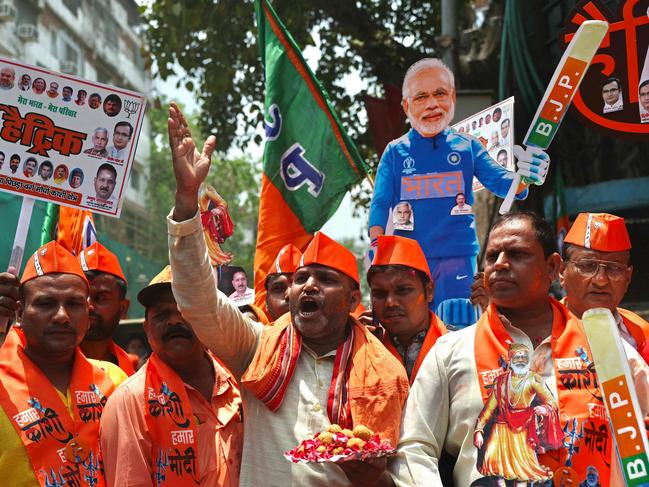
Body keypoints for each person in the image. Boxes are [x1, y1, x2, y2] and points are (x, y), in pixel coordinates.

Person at [167, 101, 409, 486]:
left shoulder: (387, 372)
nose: (308, 286)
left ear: (351, 300)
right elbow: (198, 301)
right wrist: (185, 200)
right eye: (301, 278)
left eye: (325, 279)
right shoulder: (257, 347)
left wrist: (373, 481)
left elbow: (409, 471)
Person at [388, 211, 649, 486]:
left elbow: (639, 442)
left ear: (552, 267)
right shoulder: (450, 352)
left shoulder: (607, 349)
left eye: (517, 254)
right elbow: (414, 448)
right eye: (492, 256)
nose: (500, 264)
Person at [368, 58, 549, 317]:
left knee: (458, 324)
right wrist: (377, 245)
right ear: (406, 106)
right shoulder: (395, 152)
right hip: (410, 260)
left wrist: (528, 174)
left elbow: (501, 181)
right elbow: (380, 203)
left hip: (458, 256)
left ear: (452, 97)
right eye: (421, 97)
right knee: (414, 327)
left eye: (440, 93)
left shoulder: (468, 146)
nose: (432, 104)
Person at [100, 265, 243, 486]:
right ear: (147, 329)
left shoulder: (240, 382)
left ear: (208, 321)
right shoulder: (130, 401)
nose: (174, 321)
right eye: (162, 314)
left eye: (185, 311)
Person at [0, 241, 126, 486]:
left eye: (74, 304)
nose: (61, 316)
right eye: (45, 303)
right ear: (19, 312)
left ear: (87, 315)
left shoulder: (115, 380)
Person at [560, 212, 649, 362]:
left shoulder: (643, 335)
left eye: (614, 268)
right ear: (562, 271)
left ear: (628, 278)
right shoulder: (541, 328)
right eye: (588, 266)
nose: (601, 280)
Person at [365, 235, 446, 382]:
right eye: (380, 294)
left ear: (429, 292)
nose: (390, 303)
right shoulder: (361, 351)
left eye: (403, 291)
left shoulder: (459, 345)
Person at [78, 242, 137, 375]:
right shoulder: (49, 365)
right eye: (80, 298)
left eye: (101, 298)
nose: (89, 306)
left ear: (123, 309)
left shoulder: (130, 372)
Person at [259, 243, 302, 320]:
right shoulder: (256, 332)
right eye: (279, 289)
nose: (290, 294)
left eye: (299, 285)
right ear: (266, 303)